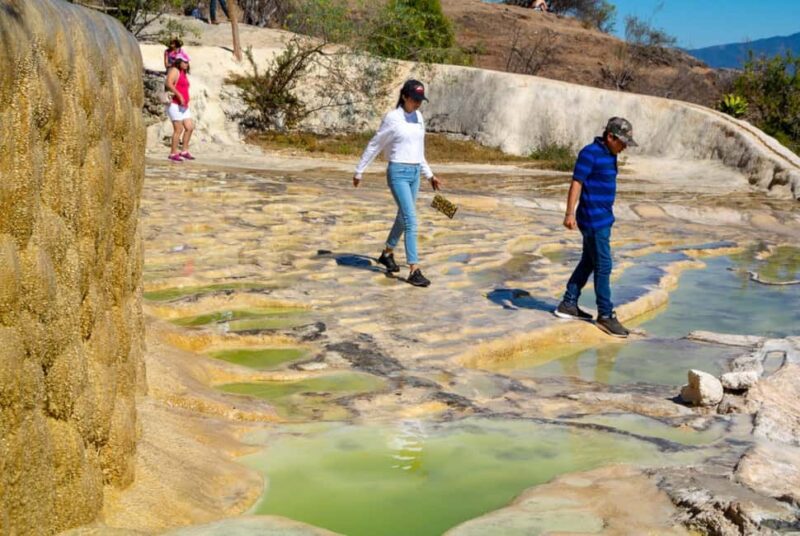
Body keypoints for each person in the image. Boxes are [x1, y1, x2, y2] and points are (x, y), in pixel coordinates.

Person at [353, 80, 443, 288]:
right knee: (411, 219)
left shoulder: (419, 117)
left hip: (414, 174)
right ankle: (414, 269)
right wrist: (360, 170)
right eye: (414, 99)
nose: (418, 103)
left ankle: (387, 253)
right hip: (398, 173)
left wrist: (429, 175)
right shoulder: (393, 118)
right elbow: (375, 144)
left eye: (421, 100)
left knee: (403, 219)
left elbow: (419, 152)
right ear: (404, 96)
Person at [553, 117, 638, 337]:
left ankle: (568, 304)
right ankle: (605, 315)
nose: (625, 146)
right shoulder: (589, 153)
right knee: (603, 264)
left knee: (589, 261)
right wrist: (569, 213)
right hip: (592, 218)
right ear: (610, 137)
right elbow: (577, 182)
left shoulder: (610, 154)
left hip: (604, 218)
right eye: (622, 141)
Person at [164, 53, 195, 162]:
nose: (187, 64)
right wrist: (179, 95)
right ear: (179, 62)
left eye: (187, 62)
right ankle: (173, 153)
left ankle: (184, 151)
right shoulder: (174, 70)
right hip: (174, 104)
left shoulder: (183, 72)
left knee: (189, 127)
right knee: (178, 129)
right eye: (185, 62)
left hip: (183, 106)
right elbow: (168, 83)